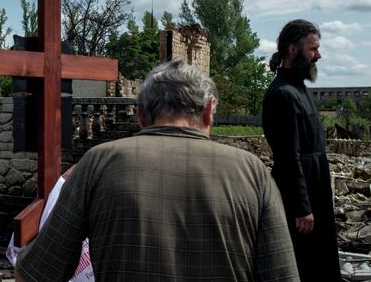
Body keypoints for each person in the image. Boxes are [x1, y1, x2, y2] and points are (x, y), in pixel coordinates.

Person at [16, 58, 299, 281]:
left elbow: (35, 274)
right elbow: (282, 274)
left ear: (140, 114)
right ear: (210, 110)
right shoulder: (252, 172)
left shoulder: (97, 164)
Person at [262, 19, 341, 281]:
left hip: (313, 189)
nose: (318, 55)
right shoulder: (283, 94)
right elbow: (288, 156)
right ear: (292, 50)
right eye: (313, 49)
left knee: (320, 260)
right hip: (301, 197)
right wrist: (301, 207)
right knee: (305, 263)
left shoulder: (298, 89)